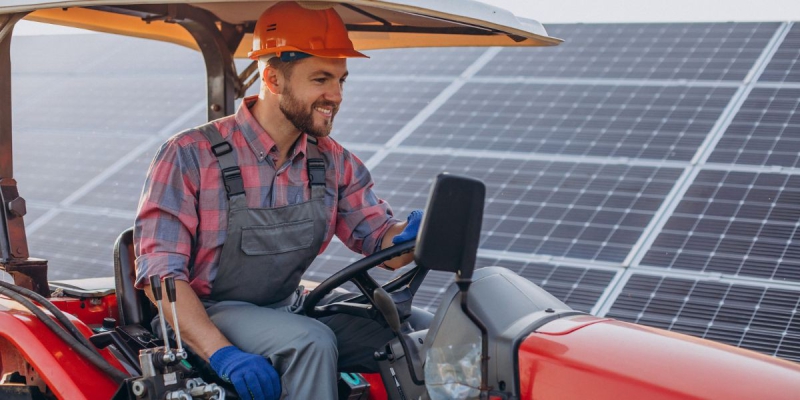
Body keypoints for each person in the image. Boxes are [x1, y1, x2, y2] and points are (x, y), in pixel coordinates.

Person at [133, 2, 431, 399]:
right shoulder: (190, 154)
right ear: (273, 78)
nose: (336, 95)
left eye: (342, 80)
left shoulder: (331, 160)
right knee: (310, 342)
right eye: (321, 79)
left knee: (423, 331)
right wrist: (222, 353)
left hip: (286, 308)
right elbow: (161, 278)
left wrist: (415, 233)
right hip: (205, 313)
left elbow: (381, 244)